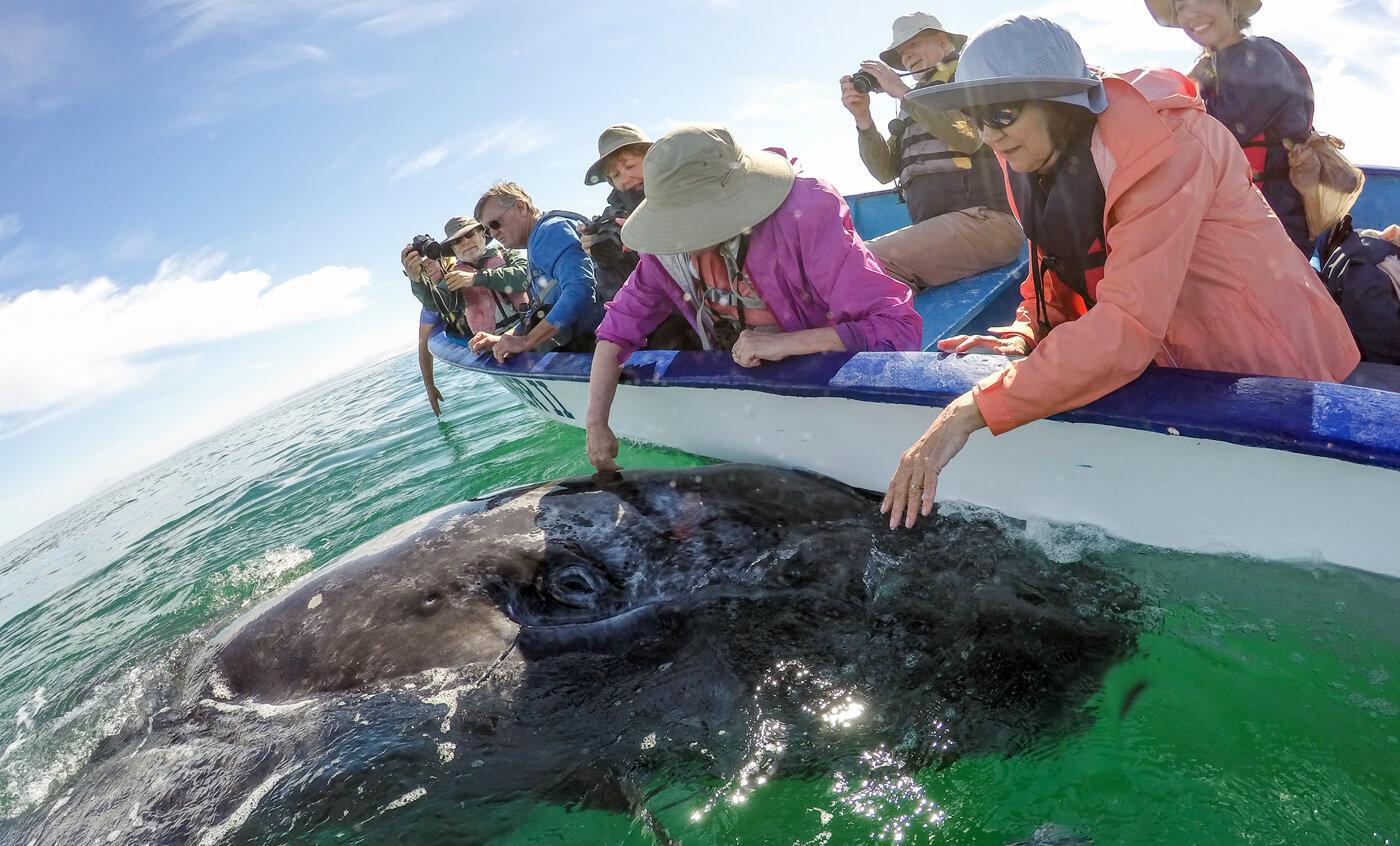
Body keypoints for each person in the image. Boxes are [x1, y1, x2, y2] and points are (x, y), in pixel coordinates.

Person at [881, 15, 1359, 529]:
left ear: (1061, 103)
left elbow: (1128, 326)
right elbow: (1054, 274)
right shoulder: (1029, 154)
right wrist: (1026, 334)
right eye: (976, 121)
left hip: (1282, 378)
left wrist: (971, 411)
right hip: (1185, 378)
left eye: (1001, 113)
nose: (990, 135)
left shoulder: (1171, 144)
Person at [584, 124, 923, 472]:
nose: (679, 234)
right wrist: (596, 422)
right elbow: (616, 330)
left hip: (827, 381)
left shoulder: (807, 211)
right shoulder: (662, 252)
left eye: (688, 219)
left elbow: (896, 328)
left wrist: (787, 344)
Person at [840, 12, 1023, 289]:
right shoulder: (912, 105)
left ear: (942, 42)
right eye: (902, 52)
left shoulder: (965, 80)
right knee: (846, 264)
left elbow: (970, 139)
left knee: (857, 261)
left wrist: (903, 92)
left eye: (913, 45)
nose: (906, 57)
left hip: (988, 222)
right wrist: (863, 118)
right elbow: (883, 171)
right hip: (942, 232)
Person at [1146, 0, 1315, 255]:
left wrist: (1188, 88)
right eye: (1181, 7)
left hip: (1272, 224)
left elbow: (1213, 131)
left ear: (1232, 4)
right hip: (1237, 218)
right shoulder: (1212, 65)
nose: (1191, 14)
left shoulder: (1260, 57)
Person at [581, 123, 697, 350]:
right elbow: (617, 290)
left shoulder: (687, 187)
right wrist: (602, 254)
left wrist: (652, 237)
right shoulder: (611, 218)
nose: (625, 177)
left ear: (652, 157)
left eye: (631, 165)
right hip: (664, 321)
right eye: (615, 175)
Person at [400, 217, 530, 415]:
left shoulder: (508, 254)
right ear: (452, 249)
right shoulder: (454, 277)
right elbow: (438, 304)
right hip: (495, 346)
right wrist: (416, 280)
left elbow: (523, 277)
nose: (466, 242)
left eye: (469, 234)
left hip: (530, 328)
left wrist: (475, 278)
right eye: (458, 241)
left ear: (482, 234)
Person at [469, 183, 604, 360]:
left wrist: (526, 341)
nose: (493, 234)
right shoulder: (539, 239)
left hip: (604, 342)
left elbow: (581, 290)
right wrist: (506, 337)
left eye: (495, 223)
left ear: (520, 207)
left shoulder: (548, 233)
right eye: (487, 230)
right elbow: (541, 306)